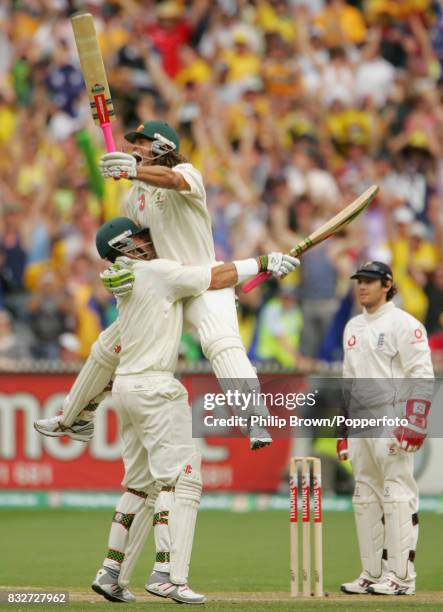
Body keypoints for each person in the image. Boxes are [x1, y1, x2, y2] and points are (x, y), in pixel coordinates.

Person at [89, 216, 298, 603]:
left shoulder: (125, 281)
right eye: (140, 237)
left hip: (126, 387)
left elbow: (191, 298)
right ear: (126, 245)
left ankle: (111, 571)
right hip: (156, 389)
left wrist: (220, 296)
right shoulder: (160, 272)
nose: (149, 239)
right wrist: (265, 263)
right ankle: (166, 573)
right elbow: (214, 276)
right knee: (180, 481)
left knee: (138, 485)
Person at [35, 120, 276, 449]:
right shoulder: (133, 198)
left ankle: (255, 420)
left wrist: (132, 171)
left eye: (143, 142)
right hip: (167, 286)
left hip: (206, 279)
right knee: (107, 347)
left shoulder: (189, 173)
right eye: (133, 143)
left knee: (220, 344)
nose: (136, 148)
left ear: (163, 146)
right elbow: (138, 245)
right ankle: (75, 418)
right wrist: (123, 274)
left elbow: (172, 180)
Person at [338, 261, 434, 596]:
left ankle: (402, 577)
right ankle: (371, 572)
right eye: (359, 281)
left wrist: (416, 422)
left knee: (396, 496)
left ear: (387, 284)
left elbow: (422, 374)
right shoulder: (352, 326)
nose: (362, 286)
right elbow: (348, 382)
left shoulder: (404, 324)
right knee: (365, 496)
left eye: (369, 281)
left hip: (392, 416)